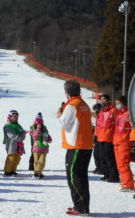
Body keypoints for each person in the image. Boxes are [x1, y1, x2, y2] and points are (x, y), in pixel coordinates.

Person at [57, 80, 93, 216]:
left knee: (74, 177)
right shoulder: (84, 104)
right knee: (81, 176)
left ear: (67, 92)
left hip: (76, 145)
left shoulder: (72, 105)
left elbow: (64, 124)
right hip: (85, 145)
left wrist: (60, 115)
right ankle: (80, 205)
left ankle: (81, 208)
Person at [113, 96, 134, 192]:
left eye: (118, 103)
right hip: (117, 141)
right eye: (116, 103)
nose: (117, 105)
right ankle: (125, 182)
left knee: (124, 163)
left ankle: (129, 185)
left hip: (124, 142)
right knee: (119, 164)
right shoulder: (119, 114)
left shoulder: (128, 114)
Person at [96, 94, 119, 182]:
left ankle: (113, 176)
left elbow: (116, 123)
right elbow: (98, 124)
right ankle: (106, 174)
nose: (103, 101)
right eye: (101, 100)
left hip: (109, 137)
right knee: (102, 157)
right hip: (101, 137)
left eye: (104, 99)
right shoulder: (101, 111)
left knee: (110, 158)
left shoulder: (113, 110)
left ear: (108, 100)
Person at [3, 110, 26, 176]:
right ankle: (7, 171)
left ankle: (13, 171)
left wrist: (23, 134)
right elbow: (11, 135)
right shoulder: (7, 125)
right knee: (11, 157)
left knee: (17, 158)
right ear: (10, 117)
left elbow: (22, 133)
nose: (16, 118)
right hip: (11, 144)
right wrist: (20, 137)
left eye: (17, 116)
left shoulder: (18, 125)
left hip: (19, 144)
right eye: (14, 116)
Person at [30, 112, 52, 179]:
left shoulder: (44, 127)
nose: (39, 121)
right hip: (36, 147)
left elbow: (48, 137)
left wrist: (48, 138)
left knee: (42, 161)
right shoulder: (32, 126)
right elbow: (34, 136)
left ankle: (37, 173)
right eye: (38, 118)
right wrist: (38, 129)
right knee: (36, 162)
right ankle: (38, 173)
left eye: (40, 118)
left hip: (44, 147)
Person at [92, 103, 103, 175]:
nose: (96, 113)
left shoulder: (102, 117)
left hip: (102, 136)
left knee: (100, 153)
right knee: (95, 153)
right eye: (95, 111)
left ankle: (102, 168)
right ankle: (98, 167)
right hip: (95, 136)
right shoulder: (94, 118)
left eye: (98, 111)